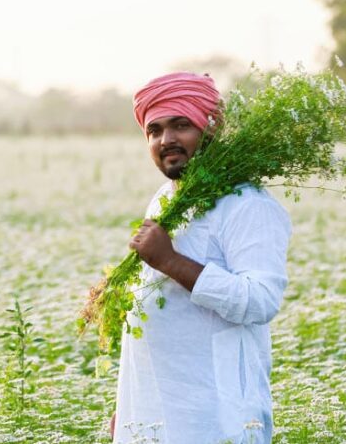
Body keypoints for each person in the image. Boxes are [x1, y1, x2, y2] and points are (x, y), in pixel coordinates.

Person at [110, 72, 291, 444]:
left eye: (181, 125)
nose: (166, 139)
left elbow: (260, 300)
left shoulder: (246, 204)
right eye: (154, 130)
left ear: (212, 129)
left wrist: (171, 262)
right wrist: (130, 406)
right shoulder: (166, 198)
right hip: (154, 418)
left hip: (214, 421)